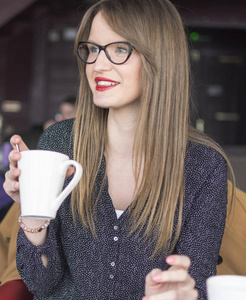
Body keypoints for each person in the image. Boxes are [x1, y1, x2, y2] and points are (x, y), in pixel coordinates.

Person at [3, 0, 234, 299]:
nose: (98, 64)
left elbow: (197, 286)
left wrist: (175, 292)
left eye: (120, 49)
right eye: (94, 49)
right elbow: (41, 282)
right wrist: (34, 214)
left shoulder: (203, 166)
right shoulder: (60, 143)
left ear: (159, 59)